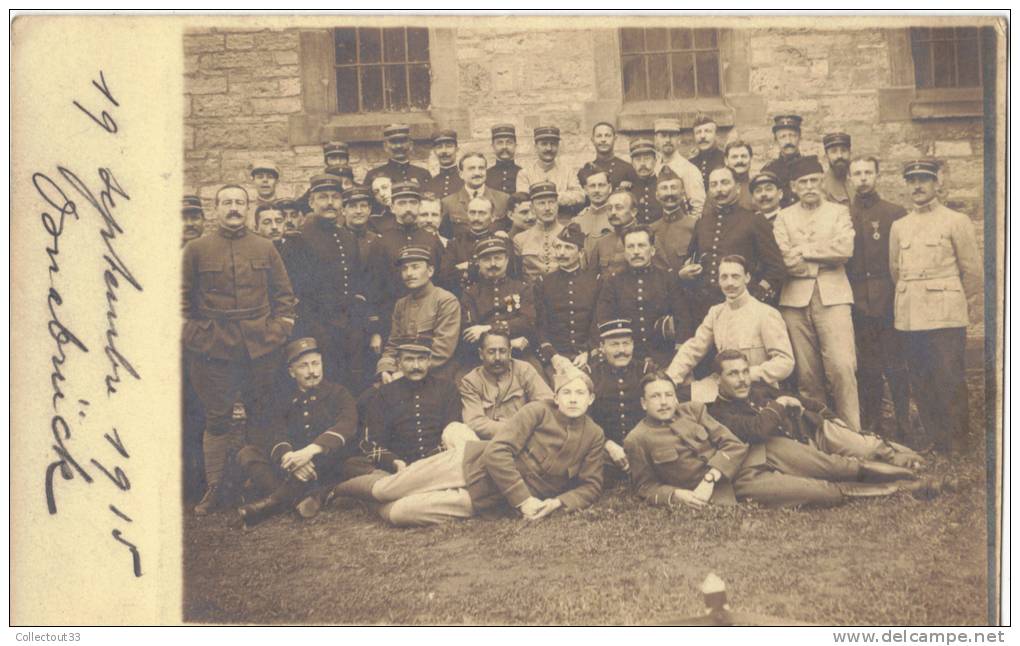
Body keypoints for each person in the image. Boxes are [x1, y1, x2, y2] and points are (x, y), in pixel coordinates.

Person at [330, 366, 605, 527]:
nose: (572, 399)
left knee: (399, 513)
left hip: (488, 497)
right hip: (468, 464)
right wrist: (524, 500)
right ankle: (335, 490)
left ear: (591, 399)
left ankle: (365, 501)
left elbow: (591, 485)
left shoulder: (593, 435)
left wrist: (558, 502)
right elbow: (497, 452)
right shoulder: (537, 411)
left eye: (580, 393)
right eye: (566, 392)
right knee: (386, 488)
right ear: (555, 397)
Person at [625, 370, 931, 511]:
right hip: (735, 486)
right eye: (655, 397)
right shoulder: (637, 439)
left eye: (668, 394)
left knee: (832, 464)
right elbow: (644, 486)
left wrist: (709, 475)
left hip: (761, 453)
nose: (664, 402)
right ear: (643, 403)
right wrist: (677, 495)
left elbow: (732, 444)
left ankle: (911, 475)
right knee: (821, 493)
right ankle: (905, 488)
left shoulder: (692, 410)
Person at [182, 184, 297, 514]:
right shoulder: (196, 249)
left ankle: (260, 483)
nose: (233, 208)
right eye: (226, 202)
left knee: (261, 415)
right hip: (212, 348)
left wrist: (279, 331)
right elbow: (180, 301)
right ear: (216, 208)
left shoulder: (264, 247)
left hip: (261, 347)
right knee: (217, 419)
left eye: (239, 202)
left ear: (248, 208)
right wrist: (195, 336)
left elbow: (284, 297)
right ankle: (215, 489)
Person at [890, 159, 982, 453]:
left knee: (949, 376)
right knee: (920, 377)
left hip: (945, 313)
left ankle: (956, 440)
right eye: (912, 180)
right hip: (911, 314)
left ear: (936, 184)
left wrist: (951, 299)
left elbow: (973, 273)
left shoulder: (955, 221)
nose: (918, 186)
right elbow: (896, 270)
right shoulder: (899, 226)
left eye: (924, 179)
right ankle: (934, 437)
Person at [706, 350, 922, 469]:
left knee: (865, 448)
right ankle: (899, 466)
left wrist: (831, 418)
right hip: (797, 455)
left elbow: (811, 404)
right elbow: (756, 429)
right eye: (733, 374)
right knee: (847, 467)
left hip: (816, 432)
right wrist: (780, 404)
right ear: (717, 379)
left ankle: (898, 456)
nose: (743, 380)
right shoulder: (718, 413)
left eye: (745, 372)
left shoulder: (758, 389)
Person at [773, 155, 861, 431]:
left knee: (842, 367)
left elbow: (844, 251)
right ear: (793, 187)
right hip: (794, 300)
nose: (809, 186)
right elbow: (783, 259)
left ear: (822, 182)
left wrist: (805, 251)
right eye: (803, 182)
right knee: (807, 374)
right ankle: (821, 433)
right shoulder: (783, 217)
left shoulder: (838, 213)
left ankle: (852, 433)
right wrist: (823, 255)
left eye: (814, 180)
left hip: (833, 296)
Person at [234, 338, 362, 527]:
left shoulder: (338, 393)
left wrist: (310, 451)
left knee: (354, 465)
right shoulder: (281, 398)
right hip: (294, 465)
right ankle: (305, 498)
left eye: (316, 363)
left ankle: (273, 502)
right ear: (291, 372)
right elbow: (275, 431)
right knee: (247, 454)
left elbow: (347, 424)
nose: (312, 371)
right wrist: (289, 457)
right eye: (303, 366)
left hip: (326, 461)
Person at [846, 156, 911, 439]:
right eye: (857, 173)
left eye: (868, 172)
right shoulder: (843, 214)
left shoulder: (894, 213)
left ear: (877, 174)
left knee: (896, 364)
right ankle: (872, 422)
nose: (863, 178)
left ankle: (904, 422)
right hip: (858, 302)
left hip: (889, 300)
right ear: (849, 178)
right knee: (868, 366)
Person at [666, 255, 794, 393]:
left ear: (747, 278)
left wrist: (748, 374)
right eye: (724, 277)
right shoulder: (716, 313)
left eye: (735, 276)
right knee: (681, 400)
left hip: (757, 389)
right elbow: (694, 348)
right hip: (723, 388)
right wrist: (670, 379)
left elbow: (785, 362)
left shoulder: (766, 314)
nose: (729, 283)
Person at [299, 175, 377, 389]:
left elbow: (356, 284)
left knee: (354, 381)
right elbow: (297, 292)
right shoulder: (301, 237)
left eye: (335, 197)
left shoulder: (347, 236)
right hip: (317, 326)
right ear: (311, 202)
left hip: (349, 326)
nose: (330, 203)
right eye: (323, 197)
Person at [682, 165, 785, 321]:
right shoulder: (703, 222)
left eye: (724, 183)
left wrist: (756, 296)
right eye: (714, 184)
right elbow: (691, 258)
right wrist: (686, 271)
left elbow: (776, 268)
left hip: (743, 308)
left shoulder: (754, 220)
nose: (719, 189)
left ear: (737, 188)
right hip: (704, 309)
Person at [357, 334, 466, 473]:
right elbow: (369, 442)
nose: (416, 366)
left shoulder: (447, 389)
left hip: (440, 465)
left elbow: (454, 432)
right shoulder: (384, 393)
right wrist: (394, 462)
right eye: (409, 359)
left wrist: (428, 463)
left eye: (421, 359)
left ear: (429, 361)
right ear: (398, 362)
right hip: (399, 469)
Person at [595, 224, 693, 367]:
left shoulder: (668, 279)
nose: (636, 252)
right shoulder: (613, 282)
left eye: (641, 246)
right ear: (624, 252)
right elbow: (604, 319)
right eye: (630, 247)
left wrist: (678, 357)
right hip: (628, 360)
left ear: (652, 250)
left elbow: (684, 318)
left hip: (665, 358)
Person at [376, 246, 461, 384]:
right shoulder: (401, 304)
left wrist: (404, 372)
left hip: (436, 376)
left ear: (430, 271)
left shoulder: (445, 300)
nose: (409, 273)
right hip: (401, 373)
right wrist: (386, 369)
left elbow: (443, 349)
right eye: (404, 268)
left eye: (415, 267)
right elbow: (393, 344)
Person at [367, 179, 446, 325]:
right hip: (392, 317)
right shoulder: (381, 242)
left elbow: (443, 280)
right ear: (392, 207)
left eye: (413, 202)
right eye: (402, 203)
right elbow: (374, 287)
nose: (408, 208)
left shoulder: (432, 240)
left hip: (430, 316)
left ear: (419, 206)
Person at [585, 319, 657, 478]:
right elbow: (585, 418)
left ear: (633, 345)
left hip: (643, 445)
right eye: (614, 344)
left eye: (626, 343)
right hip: (604, 449)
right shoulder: (591, 373)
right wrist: (608, 444)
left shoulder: (646, 370)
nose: (622, 350)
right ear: (602, 347)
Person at [459, 325, 554, 440]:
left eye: (502, 351)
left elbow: (547, 403)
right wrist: (516, 428)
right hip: (490, 444)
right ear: (481, 354)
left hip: (528, 439)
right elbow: (474, 422)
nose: (497, 357)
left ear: (510, 352)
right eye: (491, 352)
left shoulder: (524, 370)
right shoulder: (470, 382)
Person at [534, 223, 600, 379]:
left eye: (568, 248)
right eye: (558, 247)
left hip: (587, 356)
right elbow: (540, 324)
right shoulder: (544, 283)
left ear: (581, 253)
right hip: (555, 357)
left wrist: (587, 352)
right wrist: (554, 356)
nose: (561, 253)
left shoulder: (595, 282)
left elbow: (597, 321)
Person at [461, 236, 536, 370]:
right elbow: (470, 334)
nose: (493, 264)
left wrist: (487, 328)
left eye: (498, 258)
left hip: (520, 356)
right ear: (478, 262)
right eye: (486, 259)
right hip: (481, 359)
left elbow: (528, 321)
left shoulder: (522, 288)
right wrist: (509, 344)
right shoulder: (470, 294)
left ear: (507, 260)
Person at [438, 195, 503, 296]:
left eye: (482, 213)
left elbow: (505, 274)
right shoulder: (455, 243)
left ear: (493, 217)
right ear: (467, 214)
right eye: (472, 213)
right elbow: (445, 276)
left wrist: (467, 266)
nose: (476, 218)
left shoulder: (500, 243)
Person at [516, 126, 585, 212]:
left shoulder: (567, 171)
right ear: (535, 146)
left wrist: (549, 197)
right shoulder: (525, 173)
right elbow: (524, 201)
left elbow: (580, 196)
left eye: (553, 144)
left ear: (558, 146)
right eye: (544, 144)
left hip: (562, 219)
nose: (549, 148)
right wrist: (562, 196)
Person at [440, 152, 510, 238]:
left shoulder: (503, 199)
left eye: (481, 168)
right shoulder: (447, 203)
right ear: (461, 174)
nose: (477, 173)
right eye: (471, 169)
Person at [652, 118, 705, 218]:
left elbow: (698, 208)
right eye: (663, 136)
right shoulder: (654, 167)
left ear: (679, 139)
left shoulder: (689, 170)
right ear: (656, 139)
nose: (668, 140)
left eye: (672, 136)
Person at [514, 181, 564, 281]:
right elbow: (518, 276)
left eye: (551, 202)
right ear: (532, 208)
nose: (547, 208)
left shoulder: (569, 234)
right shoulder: (520, 239)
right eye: (541, 203)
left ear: (557, 205)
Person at [649, 166, 696, 273]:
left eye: (674, 187)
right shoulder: (651, 229)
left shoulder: (694, 226)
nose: (669, 193)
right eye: (664, 188)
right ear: (657, 195)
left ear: (683, 193)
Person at [585, 188, 640, 277]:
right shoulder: (602, 242)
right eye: (609, 208)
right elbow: (590, 279)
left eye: (618, 208)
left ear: (633, 212)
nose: (613, 212)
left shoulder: (647, 239)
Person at [363, 123, 432, 188]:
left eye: (402, 141)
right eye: (393, 142)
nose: (399, 146)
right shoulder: (373, 175)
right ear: (385, 146)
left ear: (411, 145)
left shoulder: (423, 174)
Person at [761, 114, 804, 208]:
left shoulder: (809, 167)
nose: (788, 141)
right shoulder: (769, 170)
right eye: (783, 137)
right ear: (776, 140)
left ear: (800, 138)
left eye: (792, 135)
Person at [580, 122, 637, 189]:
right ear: (592, 140)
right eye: (599, 136)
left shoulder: (627, 169)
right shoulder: (586, 171)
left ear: (615, 138)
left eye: (607, 135)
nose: (603, 140)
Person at [627, 138, 663, 225]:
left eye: (647, 158)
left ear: (655, 160)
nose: (642, 163)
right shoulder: (628, 189)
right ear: (632, 162)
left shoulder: (663, 185)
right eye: (638, 159)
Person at [574, 164, 613, 237]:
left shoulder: (618, 217)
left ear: (610, 188)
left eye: (601, 185)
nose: (597, 190)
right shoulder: (577, 221)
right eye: (592, 186)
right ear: (585, 190)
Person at [688, 113, 725, 190]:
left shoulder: (725, 159)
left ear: (716, 135)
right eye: (698, 132)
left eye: (707, 131)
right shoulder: (690, 163)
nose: (702, 136)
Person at [424, 129, 464, 199]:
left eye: (449, 146)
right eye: (439, 147)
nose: (444, 151)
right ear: (434, 151)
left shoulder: (465, 180)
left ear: (457, 149)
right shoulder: (430, 184)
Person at [485, 123, 523, 195]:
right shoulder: (486, 175)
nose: (504, 147)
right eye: (500, 143)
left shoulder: (523, 173)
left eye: (509, 142)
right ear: (492, 146)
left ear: (515, 146)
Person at [821, 132, 855, 205]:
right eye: (834, 151)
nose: (839, 156)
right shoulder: (822, 186)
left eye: (844, 150)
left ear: (850, 154)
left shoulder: (856, 181)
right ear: (826, 157)